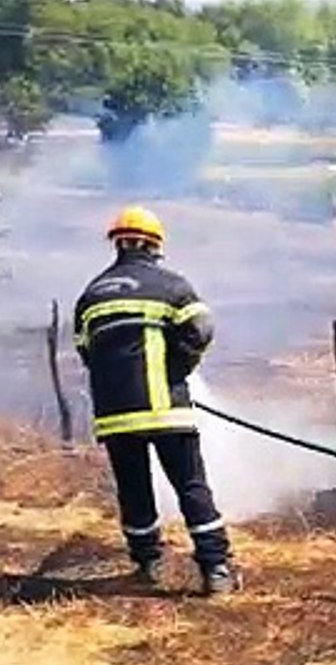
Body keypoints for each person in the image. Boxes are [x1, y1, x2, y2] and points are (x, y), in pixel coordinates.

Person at [73, 205, 240, 596]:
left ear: (117, 244)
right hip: (166, 410)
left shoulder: (91, 295)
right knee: (191, 487)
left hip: (115, 417)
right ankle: (216, 569)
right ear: (154, 246)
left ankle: (147, 563)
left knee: (134, 490)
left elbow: (85, 351)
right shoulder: (171, 286)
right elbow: (202, 328)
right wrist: (180, 366)